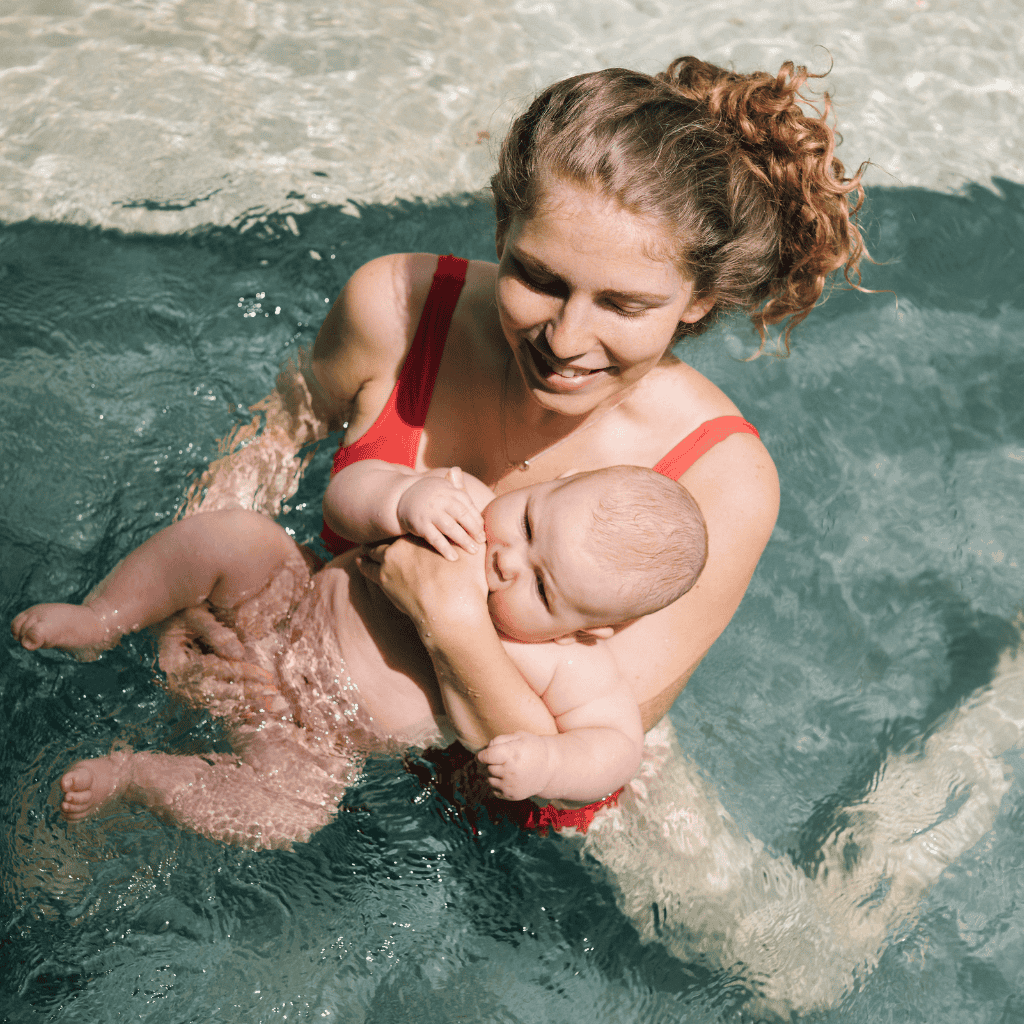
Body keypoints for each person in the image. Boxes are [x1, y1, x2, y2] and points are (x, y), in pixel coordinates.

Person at [11, 461, 708, 840]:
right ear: (540, 484)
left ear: (591, 630)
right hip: (284, 605)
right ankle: (103, 616)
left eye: (542, 586)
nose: (506, 558)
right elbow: (345, 496)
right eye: (527, 521)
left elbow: (616, 748)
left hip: (316, 737)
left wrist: (550, 761)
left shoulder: (570, 661)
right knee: (237, 536)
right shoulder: (461, 504)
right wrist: (403, 498)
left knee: (293, 813)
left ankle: (135, 775)